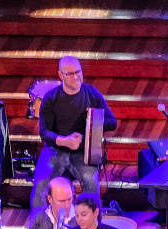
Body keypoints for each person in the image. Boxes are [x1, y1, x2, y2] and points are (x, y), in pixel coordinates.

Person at [31, 56, 117, 209]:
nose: (76, 77)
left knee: (91, 184)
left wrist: (91, 122)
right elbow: (44, 132)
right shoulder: (51, 98)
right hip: (55, 150)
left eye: (78, 72)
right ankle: (39, 223)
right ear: (60, 75)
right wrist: (64, 141)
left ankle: (89, 221)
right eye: (70, 74)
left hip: (82, 152)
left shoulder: (92, 93)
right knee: (41, 185)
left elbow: (112, 122)